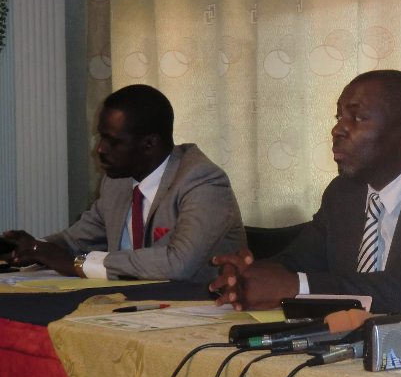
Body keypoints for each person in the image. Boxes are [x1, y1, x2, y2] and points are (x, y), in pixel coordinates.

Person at [210, 70, 401, 312]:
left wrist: (297, 286)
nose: (338, 129)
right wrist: (248, 276)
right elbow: (298, 263)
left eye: (358, 118)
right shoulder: (344, 193)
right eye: (338, 117)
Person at [5, 84, 246, 284]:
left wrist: (79, 265)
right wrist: (32, 248)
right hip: (131, 306)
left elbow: (178, 263)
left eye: (112, 141)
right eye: (100, 137)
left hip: (197, 309)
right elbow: (75, 241)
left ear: (149, 144)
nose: (100, 149)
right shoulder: (117, 182)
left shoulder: (202, 181)